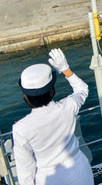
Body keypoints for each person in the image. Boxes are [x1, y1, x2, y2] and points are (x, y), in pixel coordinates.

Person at [12, 48, 93, 185]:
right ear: (52, 90)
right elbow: (82, 89)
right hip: (79, 170)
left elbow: (26, 170)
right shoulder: (68, 106)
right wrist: (65, 69)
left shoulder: (20, 128)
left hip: (49, 178)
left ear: (26, 97)